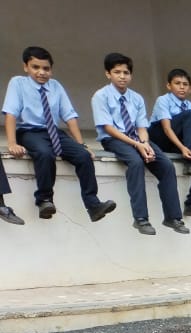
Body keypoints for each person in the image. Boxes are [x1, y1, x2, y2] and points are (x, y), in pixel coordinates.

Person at [3, 46, 116, 223]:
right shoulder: (18, 83)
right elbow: (10, 114)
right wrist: (12, 143)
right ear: (26, 67)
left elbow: (69, 117)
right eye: (35, 67)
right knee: (45, 153)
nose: (41, 72)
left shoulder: (55, 86)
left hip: (54, 132)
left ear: (51, 70)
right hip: (29, 131)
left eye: (46, 68)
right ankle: (44, 200)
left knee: (83, 156)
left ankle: (93, 205)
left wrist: (81, 144)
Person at [92, 52, 188, 235]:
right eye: (117, 72)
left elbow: (142, 127)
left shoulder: (136, 98)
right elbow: (108, 128)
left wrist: (145, 143)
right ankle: (141, 218)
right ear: (108, 74)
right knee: (135, 162)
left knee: (166, 166)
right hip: (114, 139)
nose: (122, 76)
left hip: (138, 138)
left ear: (131, 75)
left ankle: (173, 217)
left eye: (126, 72)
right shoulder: (100, 96)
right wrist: (137, 145)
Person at [149, 67, 191, 220]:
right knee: (189, 115)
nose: (181, 87)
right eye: (177, 83)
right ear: (169, 86)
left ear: (190, 89)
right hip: (159, 137)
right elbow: (166, 128)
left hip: (178, 141)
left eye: (185, 84)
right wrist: (183, 149)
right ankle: (190, 163)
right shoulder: (163, 100)